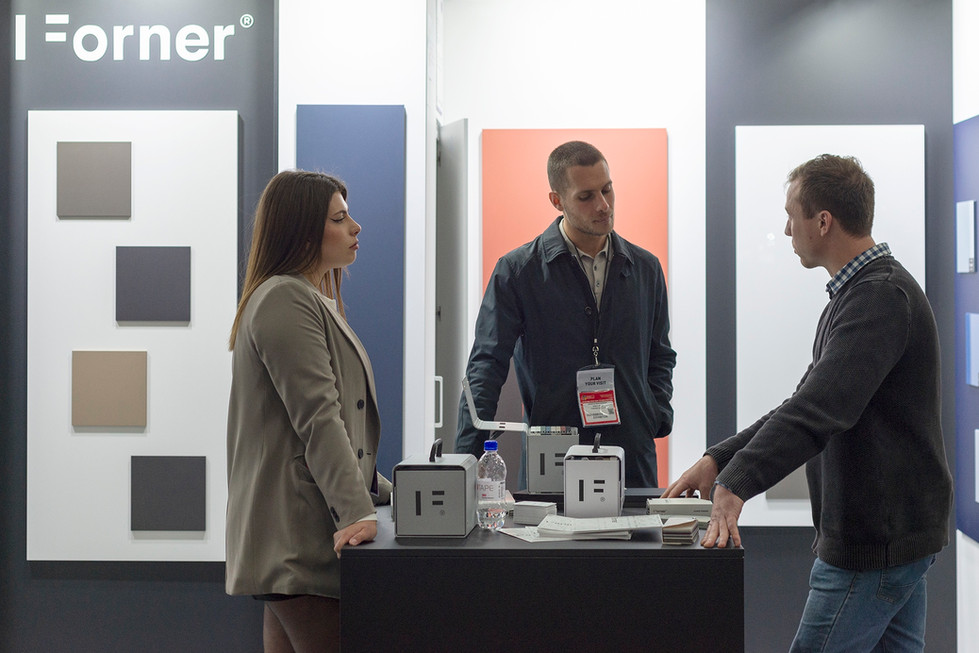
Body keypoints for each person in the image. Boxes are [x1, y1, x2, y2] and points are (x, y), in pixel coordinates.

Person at [665, 154, 953, 651]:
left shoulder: (879, 298)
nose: (785, 229)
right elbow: (804, 400)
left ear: (823, 221)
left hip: (873, 547)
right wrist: (720, 459)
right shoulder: (862, 293)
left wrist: (736, 484)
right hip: (894, 537)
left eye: (791, 214)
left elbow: (817, 409)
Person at [225, 170, 391, 653]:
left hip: (296, 537)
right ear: (302, 232)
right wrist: (357, 512)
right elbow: (319, 418)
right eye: (340, 219)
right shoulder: (284, 297)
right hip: (297, 538)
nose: (356, 227)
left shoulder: (306, 298)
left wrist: (392, 491)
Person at [456, 140, 676, 488]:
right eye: (586, 196)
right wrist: (464, 461)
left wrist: (656, 414)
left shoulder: (645, 269)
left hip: (632, 456)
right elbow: (486, 367)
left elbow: (660, 355)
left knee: (634, 542)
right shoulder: (518, 272)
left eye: (607, 190)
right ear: (557, 201)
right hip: (554, 458)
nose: (603, 206)